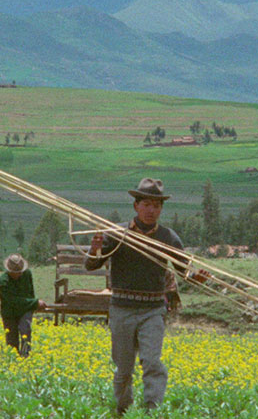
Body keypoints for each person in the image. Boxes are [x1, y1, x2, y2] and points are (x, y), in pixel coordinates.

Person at [85, 177, 205, 415]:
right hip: (122, 309)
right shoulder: (118, 234)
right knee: (123, 369)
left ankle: (152, 410)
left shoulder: (169, 238)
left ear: (161, 208)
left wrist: (195, 277)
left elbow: (184, 271)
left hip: (153, 310)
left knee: (152, 363)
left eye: (157, 205)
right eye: (147, 204)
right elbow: (91, 265)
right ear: (136, 206)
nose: (152, 210)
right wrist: (94, 248)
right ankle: (123, 410)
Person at [0, 253, 46, 357]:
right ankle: (14, 361)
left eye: (20, 271)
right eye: (15, 272)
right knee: (11, 340)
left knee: (25, 331)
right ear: (9, 271)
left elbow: (30, 292)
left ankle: (25, 357)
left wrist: (34, 305)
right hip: (10, 313)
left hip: (25, 309)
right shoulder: (3, 281)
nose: (18, 274)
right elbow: (12, 301)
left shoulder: (27, 274)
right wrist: (35, 303)